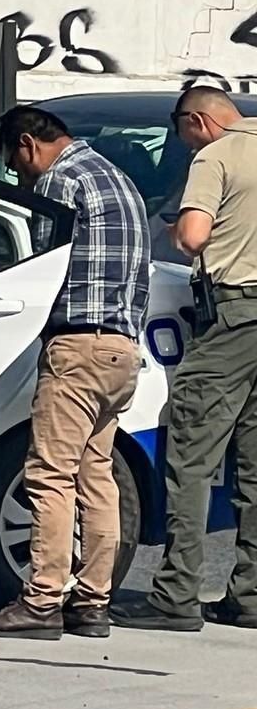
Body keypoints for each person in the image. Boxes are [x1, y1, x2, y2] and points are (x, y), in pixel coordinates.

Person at [0, 107, 150, 640]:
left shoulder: (61, 181)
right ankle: (93, 603)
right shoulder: (120, 180)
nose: (22, 179)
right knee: (98, 476)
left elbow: (36, 262)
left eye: (16, 168)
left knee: (49, 473)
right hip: (122, 351)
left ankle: (42, 599)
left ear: (28, 145)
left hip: (77, 347)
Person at [113, 87, 257, 631]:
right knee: (255, 464)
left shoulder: (215, 157)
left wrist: (176, 226)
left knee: (192, 452)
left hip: (233, 315)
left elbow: (192, 238)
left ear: (198, 120)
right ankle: (250, 593)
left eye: (182, 133)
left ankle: (176, 594)